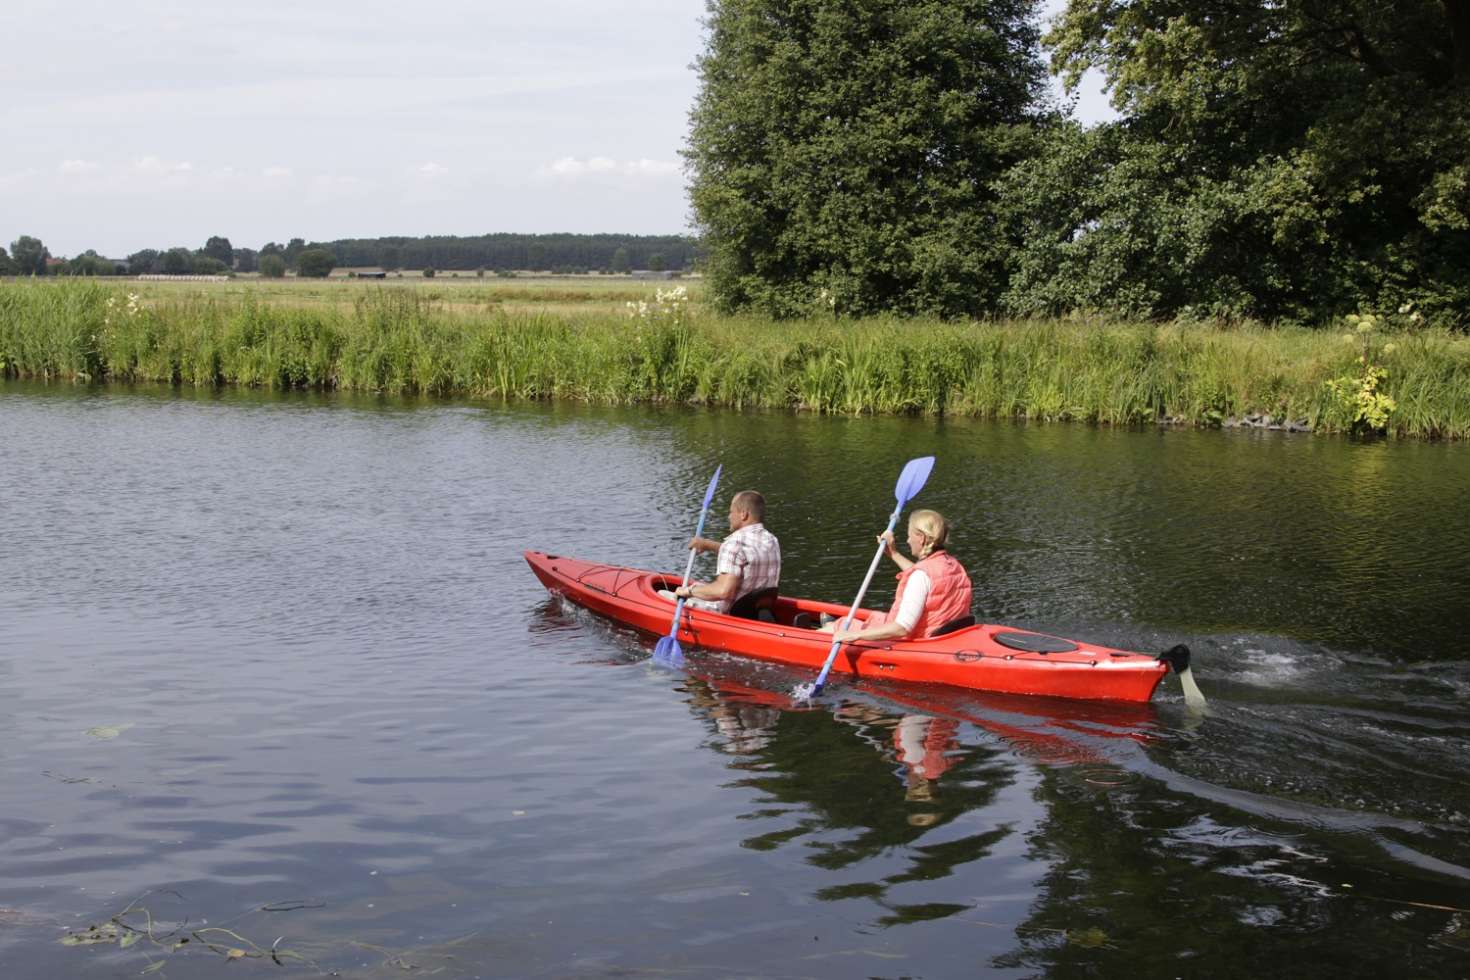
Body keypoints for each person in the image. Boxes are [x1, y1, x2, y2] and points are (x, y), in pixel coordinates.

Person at [826, 509, 972, 643]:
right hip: (944, 636)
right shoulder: (953, 565)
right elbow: (924, 579)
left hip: (915, 641)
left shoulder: (921, 576)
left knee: (840, 626)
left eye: (909, 536)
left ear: (921, 538)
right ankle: (829, 625)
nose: (908, 541)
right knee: (872, 618)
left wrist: (853, 635)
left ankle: (825, 629)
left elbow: (902, 628)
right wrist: (894, 554)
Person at [659, 490, 780, 614]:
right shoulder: (771, 540)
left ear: (743, 514)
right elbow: (743, 554)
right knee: (697, 585)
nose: (729, 517)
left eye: (731, 512)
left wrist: (688, 591)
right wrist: (708, 545)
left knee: (661, 595)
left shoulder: (734, 544)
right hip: (753, 609)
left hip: (725, 612)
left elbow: (724, 591)